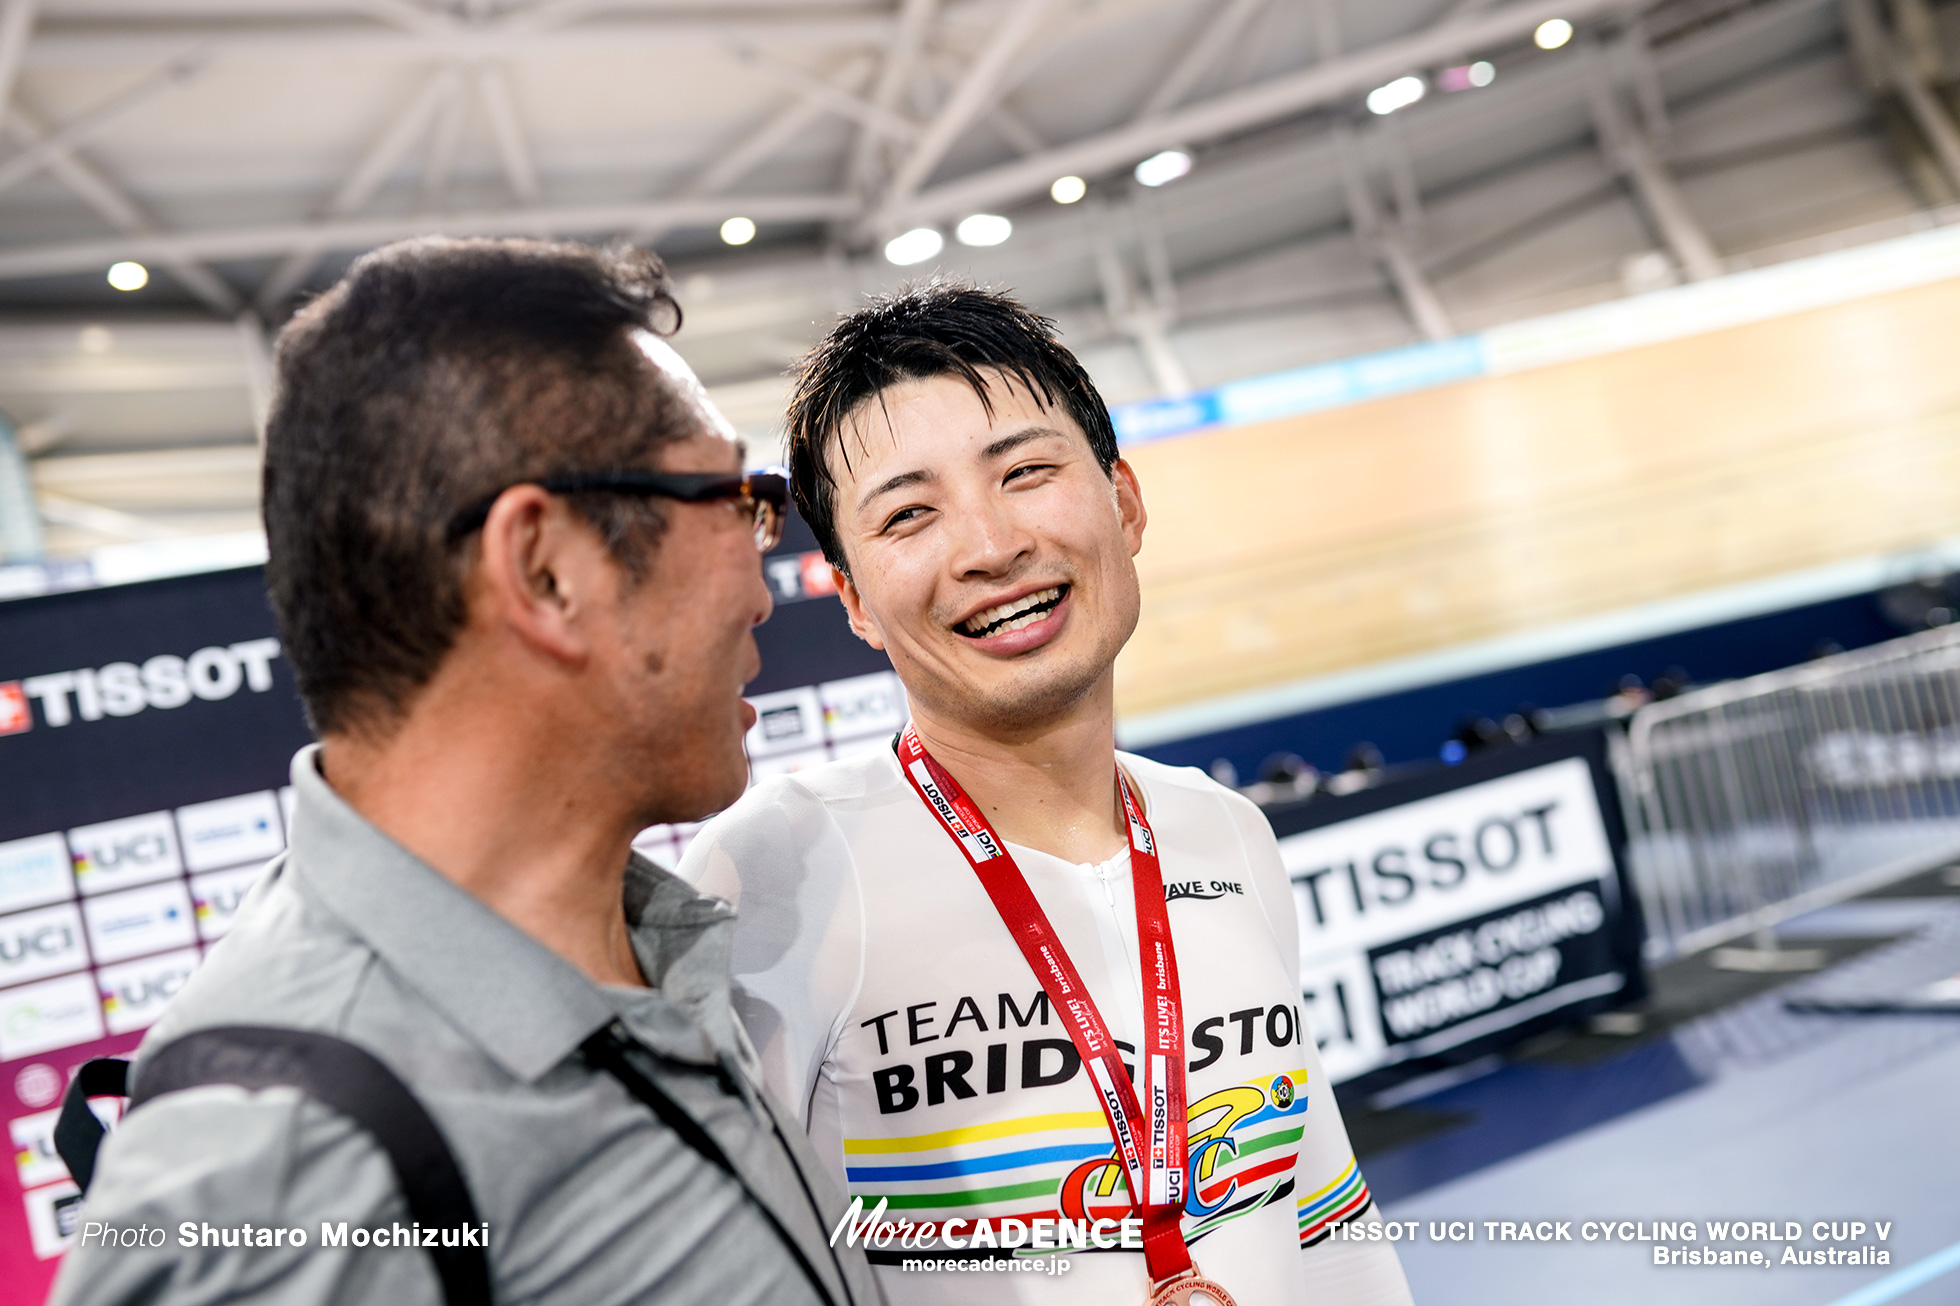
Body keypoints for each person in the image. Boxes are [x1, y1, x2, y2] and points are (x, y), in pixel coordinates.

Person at [52, 238, 880, 1306]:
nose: (763, 586)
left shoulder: (646, 954)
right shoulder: (285, 1175)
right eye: (731, 500)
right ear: (545, 569)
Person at [677, 284, 1412, 1305]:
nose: (990, 546)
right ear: (850, 601)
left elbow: (1330, 1235)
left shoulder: (1224, 833)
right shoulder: (774, 868)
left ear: (1125, 502)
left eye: (1024, 472)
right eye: (910, 514)